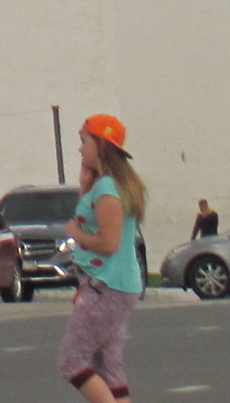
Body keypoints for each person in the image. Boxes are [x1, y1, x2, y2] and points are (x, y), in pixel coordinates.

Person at [60, 113, 147, 403]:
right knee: (109, 368)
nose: (80, 148)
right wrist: (85, 185)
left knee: (72, 361)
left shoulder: (109, 189)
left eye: (84, 141)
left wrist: (76, 234)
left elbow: (109, 243)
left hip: (106, 284)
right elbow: (93, 220)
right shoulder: (106, 185)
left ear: (101, 145)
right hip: (115, 283)